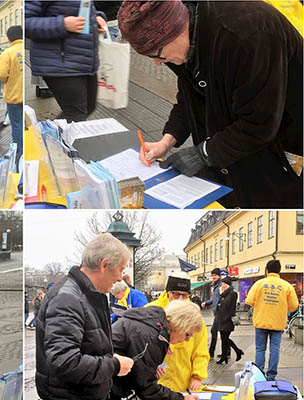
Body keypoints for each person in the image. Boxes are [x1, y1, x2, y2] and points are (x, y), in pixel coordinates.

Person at [117, 0, 303, 208]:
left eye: (156, 54)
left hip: (286, 139)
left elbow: (259, 123)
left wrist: (203, 154)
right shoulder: (189, 36)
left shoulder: (249, 34)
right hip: (243, 140)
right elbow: (190, 94)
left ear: (174, 32)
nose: (157, 63)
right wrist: (167, 140)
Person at [35, 233, 134, 399]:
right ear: (104, 265)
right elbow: (64, 361)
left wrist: (109, 357)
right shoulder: (68, 299)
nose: (119, 278)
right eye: (120, 270)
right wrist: (114, 365)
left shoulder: (87, 294)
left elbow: (85, 346)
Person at [26, 1, 107, 122]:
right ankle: (51, 137)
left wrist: (96, 17)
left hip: (85, 60)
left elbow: (78, 8)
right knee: (76, 115)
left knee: (88, 107)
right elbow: (26, 23)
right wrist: (62, 24)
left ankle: (50, 136)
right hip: (59, 63)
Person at [111, 301, 202, 400]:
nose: (187, 339)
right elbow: (146, 387)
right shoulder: (152, 337)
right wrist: (182, 399)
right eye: (188, 334)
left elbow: (139, 372)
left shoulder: (150, 325)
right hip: (105, 387)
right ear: (179, 325)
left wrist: (150, 370)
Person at [147, 272, 209, 392]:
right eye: (176, 294)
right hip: (155, 383)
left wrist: (197, 376)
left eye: (184, 295)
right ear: (168, 293)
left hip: (183, 382)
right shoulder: (151, 311)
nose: (180, 299)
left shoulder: (194, 318)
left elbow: (200, 351)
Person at [245, 259, 299, 380]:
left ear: (267, 270)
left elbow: (248, 301)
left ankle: (259, 374)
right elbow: (294, 306)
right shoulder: (286, 286)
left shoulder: (259, 284)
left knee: (260, 348)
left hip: (261, 321)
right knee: (275, 349)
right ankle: (271, 375)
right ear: (279, 271)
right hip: (278, 322)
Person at [0, 25, 24, 162]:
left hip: (15, 96)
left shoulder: (8, 53)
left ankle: (19, 154)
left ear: (9, 38)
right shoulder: (27, 49)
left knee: (17, 125)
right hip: (25, 95)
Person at [215, 276, 244, 364]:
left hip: (227, 320)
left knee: (225, 338)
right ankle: (229, 354)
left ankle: (235, 352)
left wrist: (228, 318)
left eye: (224, 284)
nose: (222, 285)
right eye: (222, 284)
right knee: (224, 339)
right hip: (221, 319)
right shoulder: (223, 294)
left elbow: (232, 308)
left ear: (227, 284)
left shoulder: (233, 294)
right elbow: (219, 305)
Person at [201, 268, 222, 358]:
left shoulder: (221, 285)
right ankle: (227, 351)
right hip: (217, 312)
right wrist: (206, 303)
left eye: (215, 275)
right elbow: (214, 299)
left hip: (220, 312)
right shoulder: (216, 285)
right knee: (222, 332)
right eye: (213, 275)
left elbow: (219, 299)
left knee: (214, 331)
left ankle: (211, 352)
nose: (213, 277)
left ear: (219, 276)